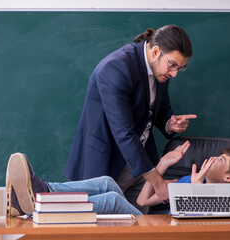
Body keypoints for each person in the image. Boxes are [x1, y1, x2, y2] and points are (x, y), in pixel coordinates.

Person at [64, 24, 196, 214]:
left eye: (180, 68)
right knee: (101, 228)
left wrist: (169, 123)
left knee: (135, 227)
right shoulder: (115, 68)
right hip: (106, 163)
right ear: (156, 51)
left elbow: (159, 109)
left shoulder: (161, 72)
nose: (174, 73)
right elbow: (124, 133)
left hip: (141, 166)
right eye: (173, 64)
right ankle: (42, 190)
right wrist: (158, 183)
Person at [6, 152, 142, 217]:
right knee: (107, 182)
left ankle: (44, 197)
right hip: (154, 221)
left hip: (159, 230)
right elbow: (143, 199)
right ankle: (45, 191)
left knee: (114, 200)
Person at [136, 141, 230, 207]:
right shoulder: (187, 180)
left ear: (229, 177)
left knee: (114, 198)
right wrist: (162, 164)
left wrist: (196, 188)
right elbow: (143, 200)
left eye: (221, 159)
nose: (213, 158)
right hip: (163, 230)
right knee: (114, 192)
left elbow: (193, 229)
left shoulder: (225, 202)